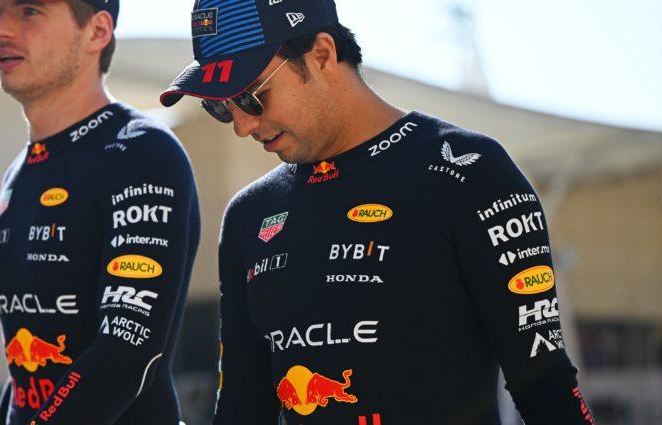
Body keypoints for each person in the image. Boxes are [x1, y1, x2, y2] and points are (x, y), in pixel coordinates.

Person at [160, 1, 595, 424]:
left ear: (322, 53)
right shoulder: (249, 215)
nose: (242, 125)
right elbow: (242, 409)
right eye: (219, 107)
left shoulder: (468, 171)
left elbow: (546, 387)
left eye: (252, 97)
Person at [0, 0, 201, 424]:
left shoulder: (139, 151)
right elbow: (24, 372)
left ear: (97, 32)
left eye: (28, 11)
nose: (1, 31)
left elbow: (126, 350)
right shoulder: (20, 170)